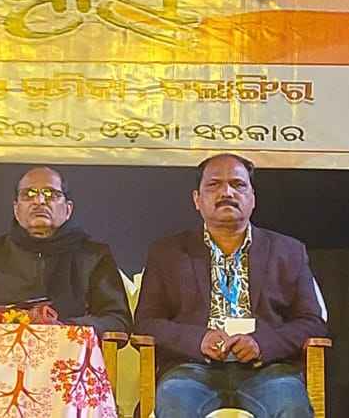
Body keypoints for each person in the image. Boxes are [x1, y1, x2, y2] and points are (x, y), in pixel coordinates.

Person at [136, 153, 328, 418]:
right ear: (197, 199)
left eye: (238, 184)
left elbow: (312, 322)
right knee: (174, 403)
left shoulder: (289, 251)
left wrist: (262, 344)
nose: (226, 192)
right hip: (191, 370)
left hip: (268, 370)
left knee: (291, 406)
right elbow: (146, 322)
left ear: (253, 198)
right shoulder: (167, 253)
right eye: (214, 184)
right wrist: (198, 339)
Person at [0, 166, 131, 332]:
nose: (39, 201)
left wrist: (63, 328)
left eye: (51, 194)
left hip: (70, 347)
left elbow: (117, 320)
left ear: (68, 209)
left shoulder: (93, 255)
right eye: (29, 194)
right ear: (16, 209)